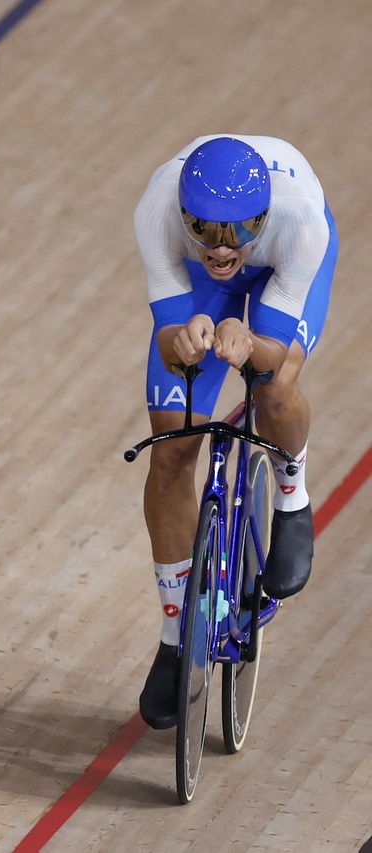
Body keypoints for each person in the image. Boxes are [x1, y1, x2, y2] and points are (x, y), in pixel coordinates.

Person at [133, 135, 336, 728]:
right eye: (206, 231)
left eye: (239, 231)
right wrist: (186, 335)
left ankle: (293, 495)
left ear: (264, 218)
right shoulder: (155, 214)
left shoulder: (300, 223)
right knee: (171, 451)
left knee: (271, 386)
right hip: (196, 288)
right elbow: (172, 347)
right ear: (182, 216)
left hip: (282, 271)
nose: (222, 249)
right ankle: (176, 636)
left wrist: (251, 344)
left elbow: (277, 360)